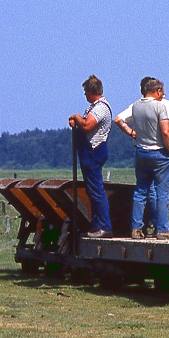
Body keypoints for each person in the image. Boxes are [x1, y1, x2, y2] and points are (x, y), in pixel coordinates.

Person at [116, 77, 169, 239]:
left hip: (142, 151)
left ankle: (136, 228)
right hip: (159, 152)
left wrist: (131, 133)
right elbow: (166, 132)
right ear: (157, 91)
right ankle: (162, 229)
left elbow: (119, 120)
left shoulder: (136, 106)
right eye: (161, 92)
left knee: (140, 191)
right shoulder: (160, 107)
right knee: (162, 193)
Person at [68, 75, 113, 238]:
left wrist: (77, 117)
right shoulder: (93, 107)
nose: (85, 95)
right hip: (89, 152)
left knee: (96, 190)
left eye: (86, 91)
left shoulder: (100, 108)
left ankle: (104, 227)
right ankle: (96, 225)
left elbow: (87, 125)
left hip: (94, 151)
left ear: (92, 91)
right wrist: (76, 121)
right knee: (92, 190)